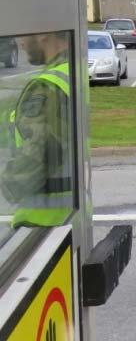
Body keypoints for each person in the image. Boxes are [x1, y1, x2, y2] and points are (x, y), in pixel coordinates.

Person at [2, 32, 73, 228]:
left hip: (42, 223)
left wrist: (6, 187)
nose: (20, 44)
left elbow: (38, 156)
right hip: (66, 219)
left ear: (43, 33)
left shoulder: (47, 86)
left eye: (24, 34)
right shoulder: (71, 71)